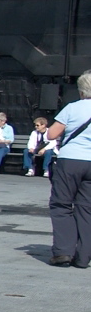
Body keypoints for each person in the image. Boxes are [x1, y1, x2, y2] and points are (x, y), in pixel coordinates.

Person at [44, 70, 91, 268]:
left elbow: (52, 135)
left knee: (61, 205)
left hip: (70, 161)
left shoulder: (72, 108)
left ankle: (63, 252)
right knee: (87, 209)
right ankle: (83, 256)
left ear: (81, 91)